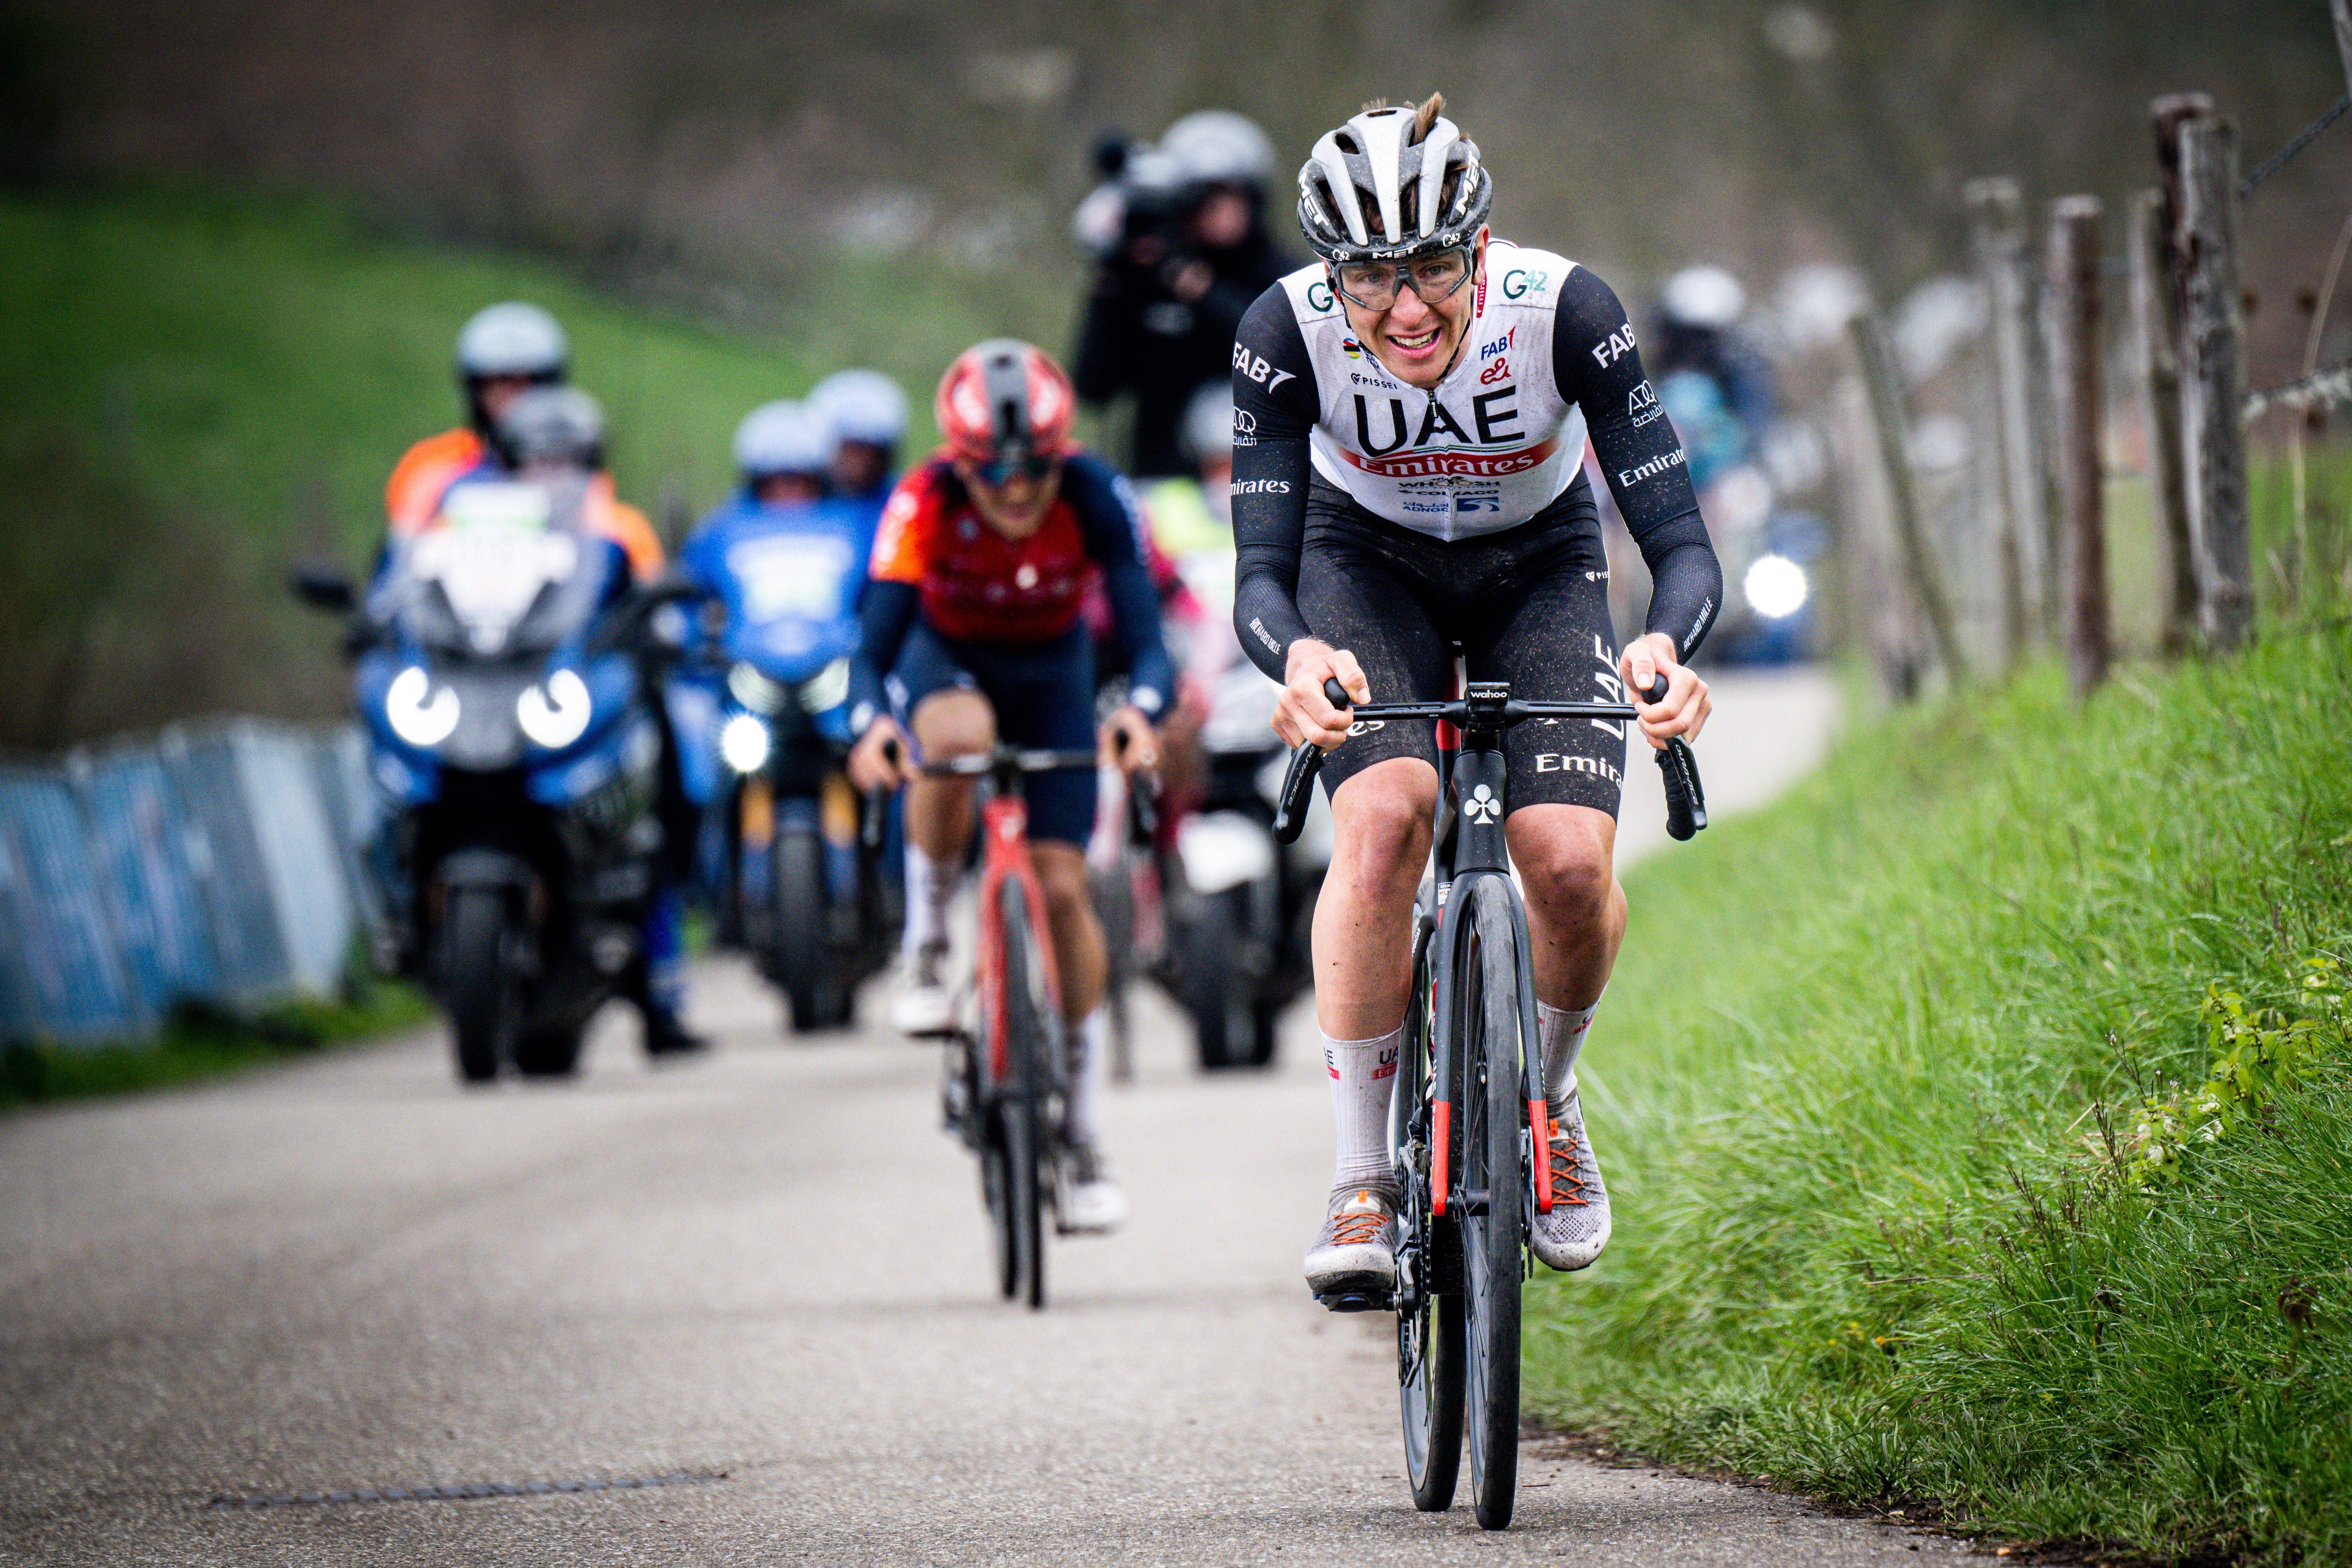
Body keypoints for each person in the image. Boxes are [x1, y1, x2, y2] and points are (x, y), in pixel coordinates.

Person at [1224, 94, 1721, 1303]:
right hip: (1365, 564)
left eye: (1435, 267)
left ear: (1480, 251)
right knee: (1387, 814)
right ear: (1327, 273)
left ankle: (1549, 1101)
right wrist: (1294, 658)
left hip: (1538, 566)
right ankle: (1361, 1175)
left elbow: (1683, 549)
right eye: (1368, 278)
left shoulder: (1569, 314)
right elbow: (1259, 574)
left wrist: (1664, 646)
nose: (1405, 309)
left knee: (1562, 861)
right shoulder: (1282, 332)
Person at [844, 340, 1172, 1234]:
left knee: (1065, 892)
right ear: (959, 461)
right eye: (994, 476)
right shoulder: (921, 499)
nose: (1018, 493)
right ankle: (926, 943)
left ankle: (1085, 1134)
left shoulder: (1099, 492)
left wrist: (1140, 711)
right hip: (946, 659)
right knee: (954, 738)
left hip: (1054, 677)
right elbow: (870, 654)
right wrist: (871, 724)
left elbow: (1147, 642)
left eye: (1034, 472)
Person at [440, 386, 706, 1057]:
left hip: (594, 701)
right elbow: (423, 592)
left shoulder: (620, 528)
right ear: (509, 462)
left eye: (567, 460)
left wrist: (662, 632)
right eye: (536, 460)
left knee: (664, 807)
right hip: (494, 698)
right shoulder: (470, 529)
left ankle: (661, 990)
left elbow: (663, 608)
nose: (552, 473)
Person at [1070, 111, 1299, 480]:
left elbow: (1286, 356)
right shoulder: (1150, 276)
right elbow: (1093, 388)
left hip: (1267, 484)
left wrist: (1200, 290)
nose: (1217, 213)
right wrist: (1110, 286)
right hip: (1162, 490)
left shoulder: (1285, 277)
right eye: (1203, 199)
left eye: (1230, 195)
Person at [385, 302, 664, 579]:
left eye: (523, 386)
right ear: (474, 392)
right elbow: (405, 549)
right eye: (495, 386)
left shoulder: (573, 472)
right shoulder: (436, 467)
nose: (511, 401)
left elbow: (598, 532)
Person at [807, 368, 910, 572]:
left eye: (871, 452)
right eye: (849, 450)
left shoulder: (904, 503)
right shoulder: (793, 498)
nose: (859, 465)